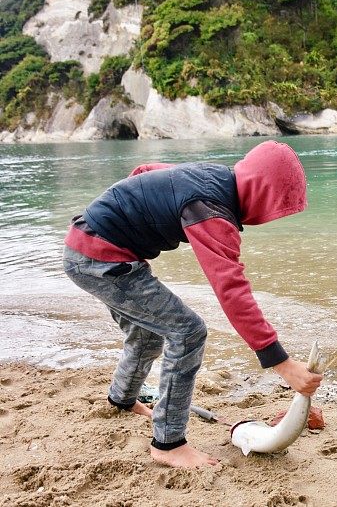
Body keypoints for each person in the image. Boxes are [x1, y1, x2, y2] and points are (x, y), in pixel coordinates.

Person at [62, 140, 323, 468]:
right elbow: (231, 290)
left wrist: (133, 216)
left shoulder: (214, 177)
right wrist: (281, 363)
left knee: (148, 334)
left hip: (87, 245)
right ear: (261, 192)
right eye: (277, 206)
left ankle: (122, 400)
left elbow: (146, 173)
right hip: (101, 257)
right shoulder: (211, 211)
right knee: (187, 332)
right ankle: (168, 443)